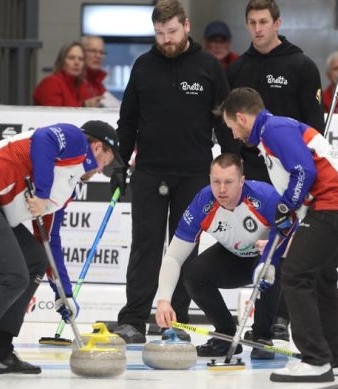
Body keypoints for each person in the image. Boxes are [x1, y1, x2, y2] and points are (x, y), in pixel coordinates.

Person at [0, 120, 122, 379]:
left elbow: (50, 241)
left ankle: (0, 352)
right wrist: (42, 193)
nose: (102, 170)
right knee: (11, 276)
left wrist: (63, 293)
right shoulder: (76, 140)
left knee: (34, 258)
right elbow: (45, 136)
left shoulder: (64, 187)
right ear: (98, 147)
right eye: (107, 161)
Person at [109, 0, 239, 344]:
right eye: (159, 33)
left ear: (186, 26)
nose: (166, 39)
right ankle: (133, 320)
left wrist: (232, 165)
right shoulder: (143, 66)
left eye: (172, 32)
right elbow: (128, 122)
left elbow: (225, 124)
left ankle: (174, 322)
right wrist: (120, 164)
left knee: (184, 248)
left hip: (195, 173)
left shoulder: (208, 67)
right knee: (145, 246)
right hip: (150, 171)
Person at [221, 87, 338, 382]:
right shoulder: (277, 131)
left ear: (241, 118)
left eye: (231, 127)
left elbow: (304, 172)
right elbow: (300, 185)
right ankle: (331, 356)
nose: (234, 135)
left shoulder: (273, 129)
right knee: (320, 274)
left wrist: (286, 203)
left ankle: (315, 360)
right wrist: (287, 209)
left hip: (337, 204)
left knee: (296, 273)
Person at [226, 0, 325, 340]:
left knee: (287, 246)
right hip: (253, 171)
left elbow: (315, 127)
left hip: (290, 172)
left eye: (264, 21)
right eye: (251, 22)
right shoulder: (238, 68)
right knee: (260, 245)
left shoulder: (301, 65)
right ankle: (261, 321)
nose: (257, 28)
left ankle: (281, 318)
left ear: (277, 23)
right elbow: (232, 127)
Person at [155, 153, 295, 358]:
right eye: (216, 181)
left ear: (241, 181)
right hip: (233, 259)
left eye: (228, 182)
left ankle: (262, 336)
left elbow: (298, 236)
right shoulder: (203, 202)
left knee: (271, 263)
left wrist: (277, 246)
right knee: (194, 273)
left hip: (264, 257)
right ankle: (225, 334)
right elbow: (174, 257)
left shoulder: (264, 197)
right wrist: (163, 301)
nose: (221, 189)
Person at [32, 41, 102, 107]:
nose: (77, 63)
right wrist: (84, 105)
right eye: (71, 58)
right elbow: (54, 116)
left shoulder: (82, 85)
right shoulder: (51, 83)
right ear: (62, 61)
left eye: (81, 59)